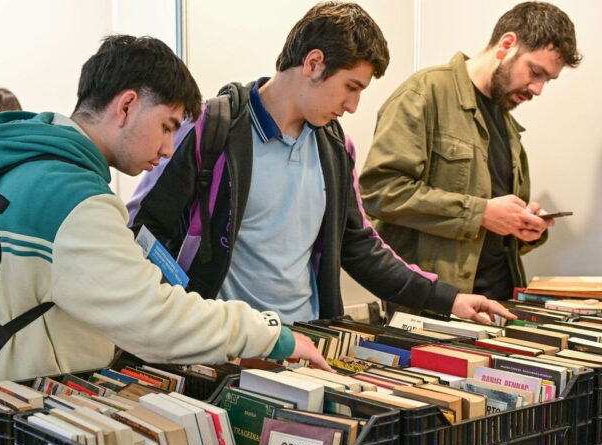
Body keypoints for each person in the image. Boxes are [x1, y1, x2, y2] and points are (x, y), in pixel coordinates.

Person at [127, 2, 513, 326]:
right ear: (313, 63)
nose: (353, 105)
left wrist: (447, 299)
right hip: (221, 348)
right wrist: (175, 325)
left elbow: (359, 245)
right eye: (351, 87)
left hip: (306, 345)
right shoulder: (211, 127)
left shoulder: (335, 146)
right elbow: (145, 231)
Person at [0, 35, 332, 382]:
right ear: (127, 105)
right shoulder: (75, 199)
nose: (167, 148)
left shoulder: (23, 164)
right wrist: (271, 335)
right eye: (167, 127)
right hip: (24, 404)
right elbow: (154, 319)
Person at [359, 2, 581, 300]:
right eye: (535, 71)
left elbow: (493, 230)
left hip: (498, 305)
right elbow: (380, 191)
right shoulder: (425, 93)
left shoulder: (508, 126)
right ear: (507, 44)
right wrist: (481, 213)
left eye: (547, 80)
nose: (537, 89)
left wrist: (524, 227)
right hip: (435, 308)